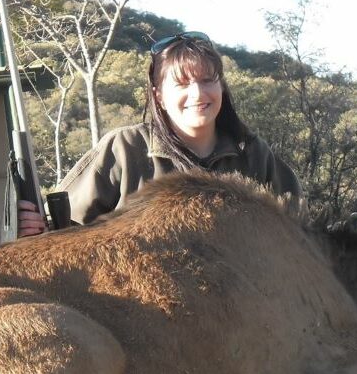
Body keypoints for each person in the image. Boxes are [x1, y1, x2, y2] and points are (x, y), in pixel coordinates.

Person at [17, 31, 301, 237]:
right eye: (182, 83)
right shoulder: (123, 148)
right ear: (159, 96)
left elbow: (296, 233)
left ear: (221, 87)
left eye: (207, 80)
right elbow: (65, 227)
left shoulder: (254, 154)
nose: (198, 94)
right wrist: (36, 226)